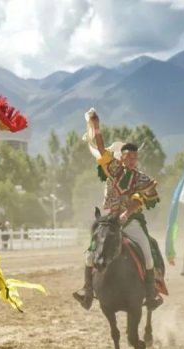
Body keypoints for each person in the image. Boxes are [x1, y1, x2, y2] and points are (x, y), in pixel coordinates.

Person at [72, 109, 163, 311]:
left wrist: (128, 211)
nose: (132, 161)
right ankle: (87, 291)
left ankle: (150, 294)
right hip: (111, 220)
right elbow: (101, 148)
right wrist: (96, 126)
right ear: (121, 158)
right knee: (90, 253)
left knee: (147, 253)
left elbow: (147, 196)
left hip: (133, 222)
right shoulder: (113, 169)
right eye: (129, 157)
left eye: (135, 158)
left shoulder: (141, 178)